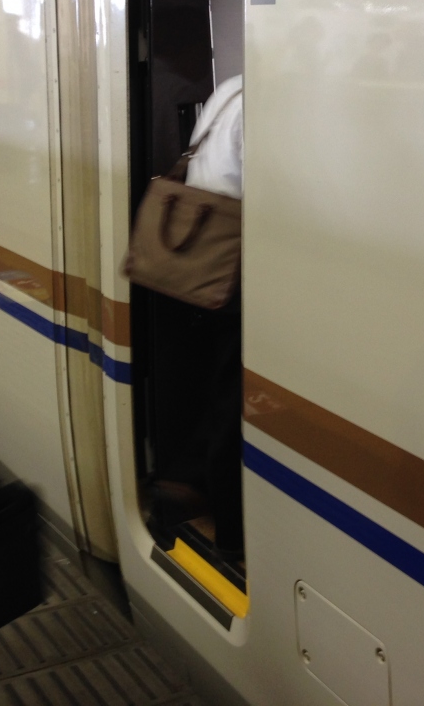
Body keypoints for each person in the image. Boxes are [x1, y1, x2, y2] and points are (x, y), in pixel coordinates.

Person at [184, 74, 244, 561]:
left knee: (214, 384)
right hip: (234, 267)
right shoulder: (267, 104)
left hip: (199, 260)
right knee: (233, 399)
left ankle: (202, 487)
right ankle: (232, 532)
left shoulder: (231, 89)